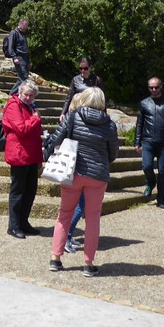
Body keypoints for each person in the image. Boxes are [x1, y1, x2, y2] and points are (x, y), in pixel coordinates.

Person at [49, 87, 118, 277]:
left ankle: (55, 258)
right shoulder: (109, 124)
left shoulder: (73, 116)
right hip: (97, 175)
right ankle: (88, 263)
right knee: (93, 218)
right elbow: (113, 153)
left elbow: (57, 138)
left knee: (64, 214)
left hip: (73, 171)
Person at [3, 80, 43, 238]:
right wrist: (35, 119)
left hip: (31, 154)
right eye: (26, 94)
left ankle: (23, 222)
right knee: (18, 191)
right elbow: (21, 129)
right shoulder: (14, 106)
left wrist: (39, 158)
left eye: (31, 95)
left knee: (30, 190)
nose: (28, 97)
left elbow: (35, 134)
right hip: (19, 153)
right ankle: (14, 226)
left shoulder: (31, 107)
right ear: (20, 93)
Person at [134, 77, 164, 209]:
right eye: (151, 88)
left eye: (156, 87)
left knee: (163, 171)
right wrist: (137, 142)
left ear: (161, 87)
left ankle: (161, 199)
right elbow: (139, 124)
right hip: (147, 141)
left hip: (163, 142)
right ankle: (150, 182)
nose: (154, 90)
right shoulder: (144, 103)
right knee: (146, 166)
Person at [5, 18, 31, 96]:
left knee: (24, 78)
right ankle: (12, 94)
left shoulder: (23, 34)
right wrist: (14, 57)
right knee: (24, 78)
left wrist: (28, 61)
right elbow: (10, 47)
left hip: (25, 59)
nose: (27, 27)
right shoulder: (14, 33)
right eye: (26, 25)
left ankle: (15, 95)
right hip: (19, 58)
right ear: (20, 24)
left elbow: (25, 48)